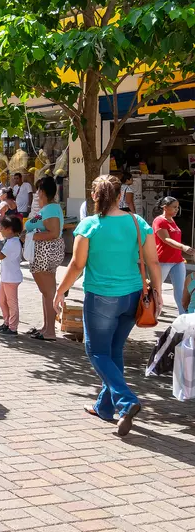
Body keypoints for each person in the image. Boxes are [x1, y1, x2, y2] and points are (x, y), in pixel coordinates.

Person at [55, 175, 162, 435]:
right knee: (113, 351)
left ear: (94, 196)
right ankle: (104, 407)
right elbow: (153, 262)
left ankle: (127, 401)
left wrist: (60, 291)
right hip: (133, 297)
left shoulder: (90, 225)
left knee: (97, 352)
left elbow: (77, 265)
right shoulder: (138, 222)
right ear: (119, 196)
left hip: (102, 298)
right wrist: (157, 293)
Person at [23, 176, 65, 341]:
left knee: (48, 292)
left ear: (42, 192)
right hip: (46, 253)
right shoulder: (49, 209)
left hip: (44, 252)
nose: (36, 194)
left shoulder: (50, 209)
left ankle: (50, 332)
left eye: (38, 191)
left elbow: (53, 233)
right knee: (47, 292)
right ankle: (46, 327)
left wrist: (33, 237)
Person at [152, 196, 193, 313]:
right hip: (163, 260)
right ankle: (150, 313)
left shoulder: (172, 220)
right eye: (174, 207)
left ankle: (183, 316)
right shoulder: (159, 221)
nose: (176, 210)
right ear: (165, 207)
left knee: (180, 289)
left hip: (177, 261)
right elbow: (166, 239)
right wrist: (183, 247)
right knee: (156, 289)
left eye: (178, 207)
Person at [0, 214, 24, 336]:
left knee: (11, 302)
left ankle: (13, 327)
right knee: (1, 299)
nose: (0, 231)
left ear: (9, 229)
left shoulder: (13, 243)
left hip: (11, 278)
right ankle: (7, 322)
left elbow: (0, 256)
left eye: (2, 229)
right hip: (7, 277)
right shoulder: (11, 241)